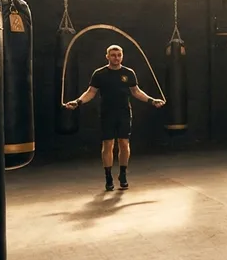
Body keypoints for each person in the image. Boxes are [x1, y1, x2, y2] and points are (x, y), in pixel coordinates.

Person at [64, 45, 165, 191]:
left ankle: (123, 174)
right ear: (107, 56)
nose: (116, 58)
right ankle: (108, 177)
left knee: (124, 143)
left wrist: (152, 100)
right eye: (113, 55)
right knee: (108, 144)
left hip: (124, 113)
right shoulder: (99, 74)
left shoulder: (128, 73)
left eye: (119, 55)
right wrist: (77, 102)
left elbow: (136, 92)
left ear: (122, 56)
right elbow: (90, 92)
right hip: (107, 113)